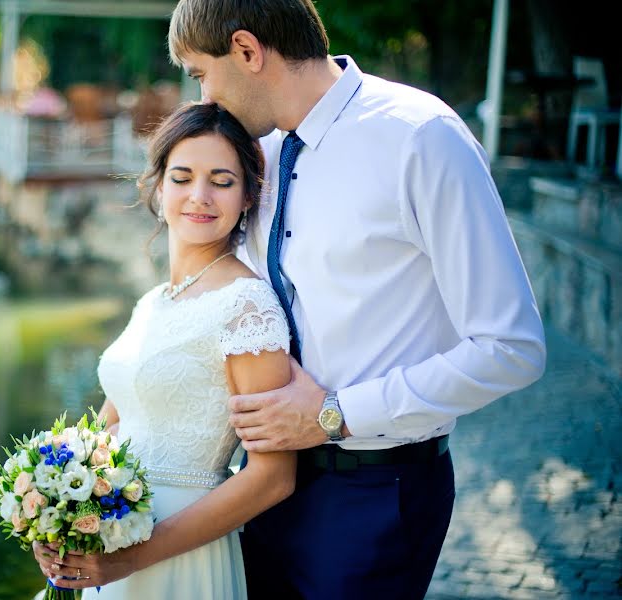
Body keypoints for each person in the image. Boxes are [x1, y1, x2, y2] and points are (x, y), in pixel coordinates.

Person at [166, 1, 548, 599]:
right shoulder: (256, 154)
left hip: (375, 494)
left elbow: (512, 348)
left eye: (199, 74)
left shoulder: (420, 137)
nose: (205, 99)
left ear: (246, 50)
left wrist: (335, 412)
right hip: (261, 485)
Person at [31, 102, 297, 598]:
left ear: (246, 197)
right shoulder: (153, 302)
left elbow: (273, 478)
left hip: (180, 550)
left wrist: (135, 557)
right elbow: (108, 429)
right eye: (182, 177)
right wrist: (51, 515)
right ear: (157, 186)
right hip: (106, 539)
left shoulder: (247, 305)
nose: (200, 196)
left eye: (221, 181)